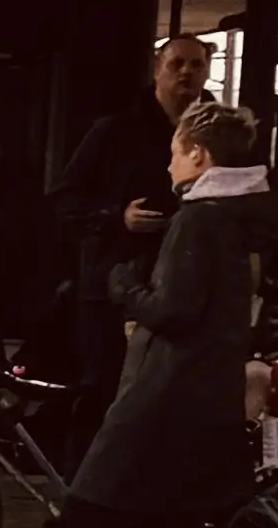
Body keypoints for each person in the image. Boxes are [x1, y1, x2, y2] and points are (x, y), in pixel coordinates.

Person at [54, 99, 273, 528]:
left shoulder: (200, 219)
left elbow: (174, 310)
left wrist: (125, 287)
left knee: (87, 518)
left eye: (176, 151)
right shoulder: (242, 214)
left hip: (164, 395)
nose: (169, 162)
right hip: (207, 395)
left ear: (198, 155)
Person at [49, 39, 216, 434]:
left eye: (196, 65)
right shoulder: (115, 131)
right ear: (158, 68)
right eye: (177, 64)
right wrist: (115, 216)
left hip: (182, 284)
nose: (186, 73)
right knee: (104, 394)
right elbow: (64, 196)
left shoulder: (216, 134)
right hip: (114, 282)